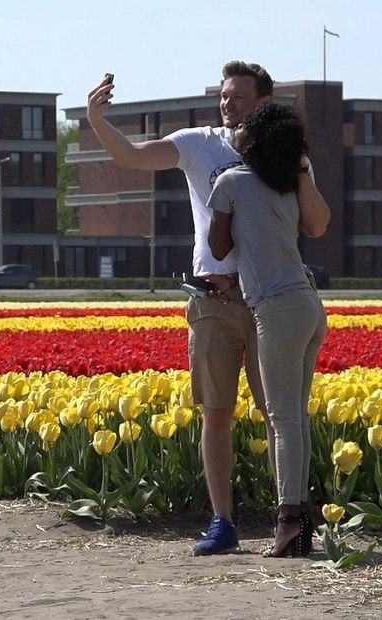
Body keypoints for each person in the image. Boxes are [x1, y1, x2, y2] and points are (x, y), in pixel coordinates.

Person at [87, 61, 326, 555]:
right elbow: (132, 158)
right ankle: (223, 522)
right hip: (214, 300)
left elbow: (315, 224)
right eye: (223, 95)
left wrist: (299, 170)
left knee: (277, 414)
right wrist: (97, 121)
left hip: (271, 300)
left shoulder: (283, 154)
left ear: (262, 102)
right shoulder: (198, 142)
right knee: (216, 412)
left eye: (238, 96)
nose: (227, 103)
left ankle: (291, 517)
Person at [207, 102, 330, 557]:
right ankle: (299, 521)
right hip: (309, 305)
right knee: (295, 417)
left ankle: (289, 523)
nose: (235, 131)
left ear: (253, 141)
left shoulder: (231, 182)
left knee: (283, 419)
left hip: (275, 309)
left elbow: (218, 249)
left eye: (243, 129)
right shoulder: (287, 185)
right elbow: (317, 224)